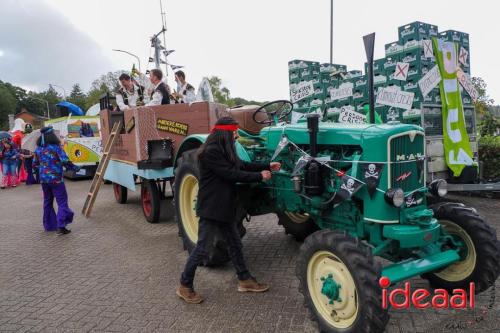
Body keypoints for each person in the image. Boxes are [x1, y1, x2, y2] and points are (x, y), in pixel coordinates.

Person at [176, 117, 281, 304]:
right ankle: (184, 285)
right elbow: (230, 174)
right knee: (202, 249)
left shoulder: (225, 150)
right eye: (233, 132)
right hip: (212, 209)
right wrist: (259, 176)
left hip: (225, 208)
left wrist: (267, 165)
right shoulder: (210, 152)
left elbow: (242, 165)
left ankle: (244, 280)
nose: (235, 135)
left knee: (235, 244)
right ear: (224, 132)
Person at [33, 127, 80, 234]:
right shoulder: (56, 147)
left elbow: (34, 165)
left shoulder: (38, 149)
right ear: (52, 135)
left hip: (44, 180)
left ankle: (49, 226)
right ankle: (61, 225)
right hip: (56, 180)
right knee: (62, 201)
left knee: (47, 202)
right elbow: (65, 160)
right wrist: (75, 168)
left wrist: (43, 170)